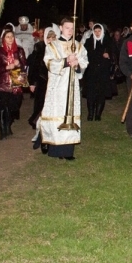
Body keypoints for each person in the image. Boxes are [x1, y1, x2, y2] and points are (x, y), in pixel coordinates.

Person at [35, 18, 88, 160]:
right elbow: (49, 62)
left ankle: (68, 151)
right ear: (61, 28)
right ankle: (55, 149)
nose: (70, 31)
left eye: (72, 28)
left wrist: (77, 65)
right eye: (67, 28)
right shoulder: (53, 46)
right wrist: (65, 61)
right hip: (57, 87)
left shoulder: (78, 46)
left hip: (72, 87)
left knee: (70, 114)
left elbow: (84, 62)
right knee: (57, 115)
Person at [0, 27, 27, 140]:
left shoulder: (19, 50)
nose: (10, 39)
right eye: (7, 37)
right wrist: (7, 67)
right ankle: (3, 130)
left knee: (13, 108)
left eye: (12, 36)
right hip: (3, 84)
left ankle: (8, 125)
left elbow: (25, 66)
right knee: (2, 108)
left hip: (16, 82)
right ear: (3, 39)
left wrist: (19, 63)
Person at [82, 23, 115, 121]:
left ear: (102, 31)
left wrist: (108, 56)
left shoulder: (108, 41)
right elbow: (83, 55)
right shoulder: (88, 42)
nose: (97, 33)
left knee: (101, 93)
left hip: (103, 72)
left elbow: (114, 55)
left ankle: (98, 114)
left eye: (99, 31)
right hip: (91, 72)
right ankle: (90, 114)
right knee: (91, 93)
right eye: (95, 31)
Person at [27, 26, 57, 129]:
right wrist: (32, 82)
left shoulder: (57, 49)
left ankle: (45, 122)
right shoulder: (39, 47)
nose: (51, 40)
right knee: (40, 102)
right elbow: (34, 67)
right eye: (49, 38)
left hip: (53, 79)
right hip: (41, 79)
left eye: (53, 38)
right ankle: (35, 120)